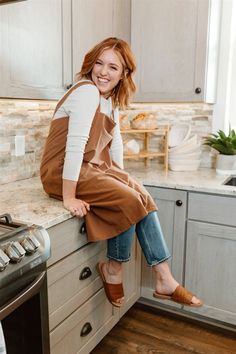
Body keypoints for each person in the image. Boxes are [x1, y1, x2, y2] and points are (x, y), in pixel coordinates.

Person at [40, 37, 203, 308]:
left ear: (124, 73)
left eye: (113, 67)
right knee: (128, 199)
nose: (103, 71)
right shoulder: (86, 92)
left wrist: (125, 180)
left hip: (89, 168)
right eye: (99, 63)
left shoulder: (108, 101)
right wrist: (68, 197)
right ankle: (115, 269)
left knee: (140, 194)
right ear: (91, 65)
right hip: (61, 171)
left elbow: (114, 146)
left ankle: (164, 278)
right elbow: (75, 146)